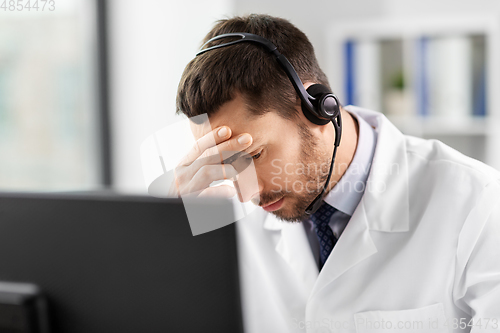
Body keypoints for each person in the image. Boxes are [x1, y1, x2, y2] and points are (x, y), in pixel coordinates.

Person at [174, 14, 500, 333]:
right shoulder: (224, 216)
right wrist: (171, 234)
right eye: (226, 163)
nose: (247, 192)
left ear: (317, 109)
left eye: (254, 154)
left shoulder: (478, 203)